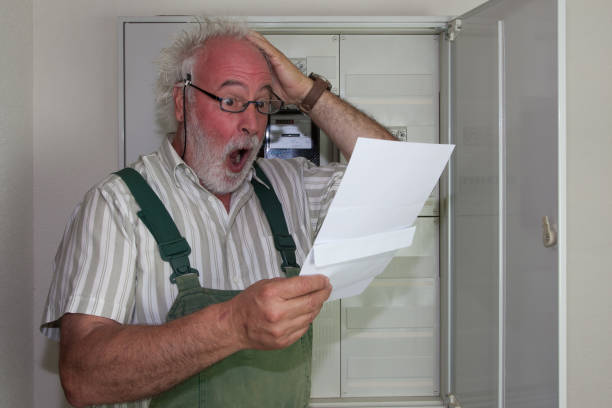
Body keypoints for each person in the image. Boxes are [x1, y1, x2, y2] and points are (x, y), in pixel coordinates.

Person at [40, 18, 394, 407]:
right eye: (231, 101)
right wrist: (232, 326)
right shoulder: (117, 205)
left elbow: (396, 172)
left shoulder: (291, 187)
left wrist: (308, 94)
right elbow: (83, 377)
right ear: (182, 103)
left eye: (262, 103)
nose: (252, 124)